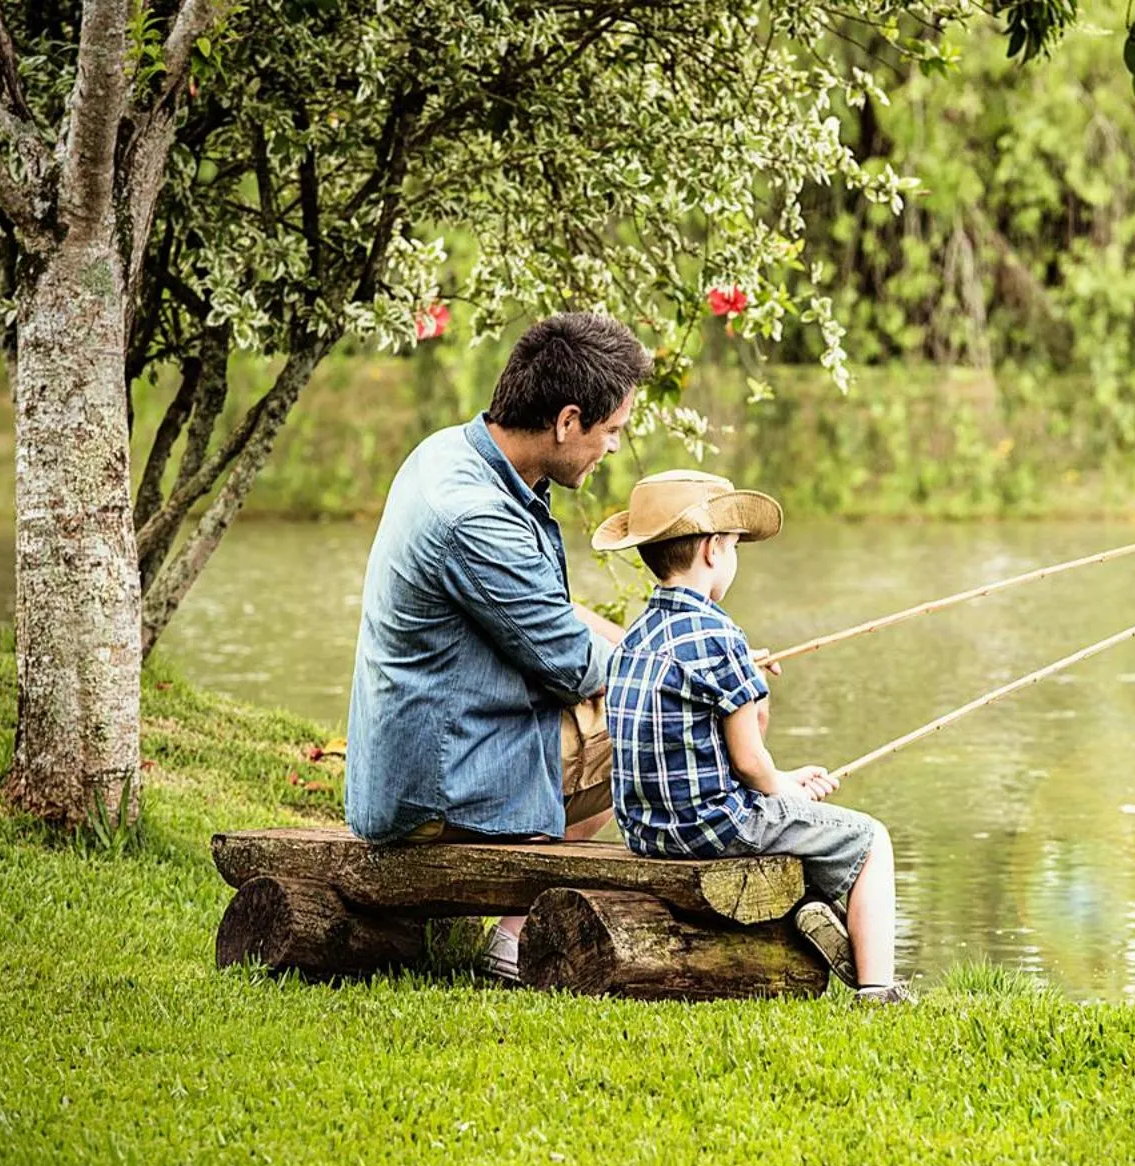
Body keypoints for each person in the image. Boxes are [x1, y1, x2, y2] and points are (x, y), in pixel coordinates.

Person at [345, 311, 650, 980]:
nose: (613, 449)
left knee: (643, 686)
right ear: (568, 421)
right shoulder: (473, 516)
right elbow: (575, 666)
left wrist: (651, 648)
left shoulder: (455, 454)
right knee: (645, 721)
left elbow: (548, 611)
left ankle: (517, 915)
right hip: (436, 783)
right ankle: (514, 937)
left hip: (439, 746)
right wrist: (674, 676)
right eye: (612, 431)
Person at [594, 470, 913, 1003]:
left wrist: (776, 763)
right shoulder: (721, 635)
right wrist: (783, 788)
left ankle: (818, 917)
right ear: (714, 550)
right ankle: (877, 991)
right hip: (709, 828)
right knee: (869, 840)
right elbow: (747, 759)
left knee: (798, 824)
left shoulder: (635, 638)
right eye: (736, 546)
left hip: (647, 831)